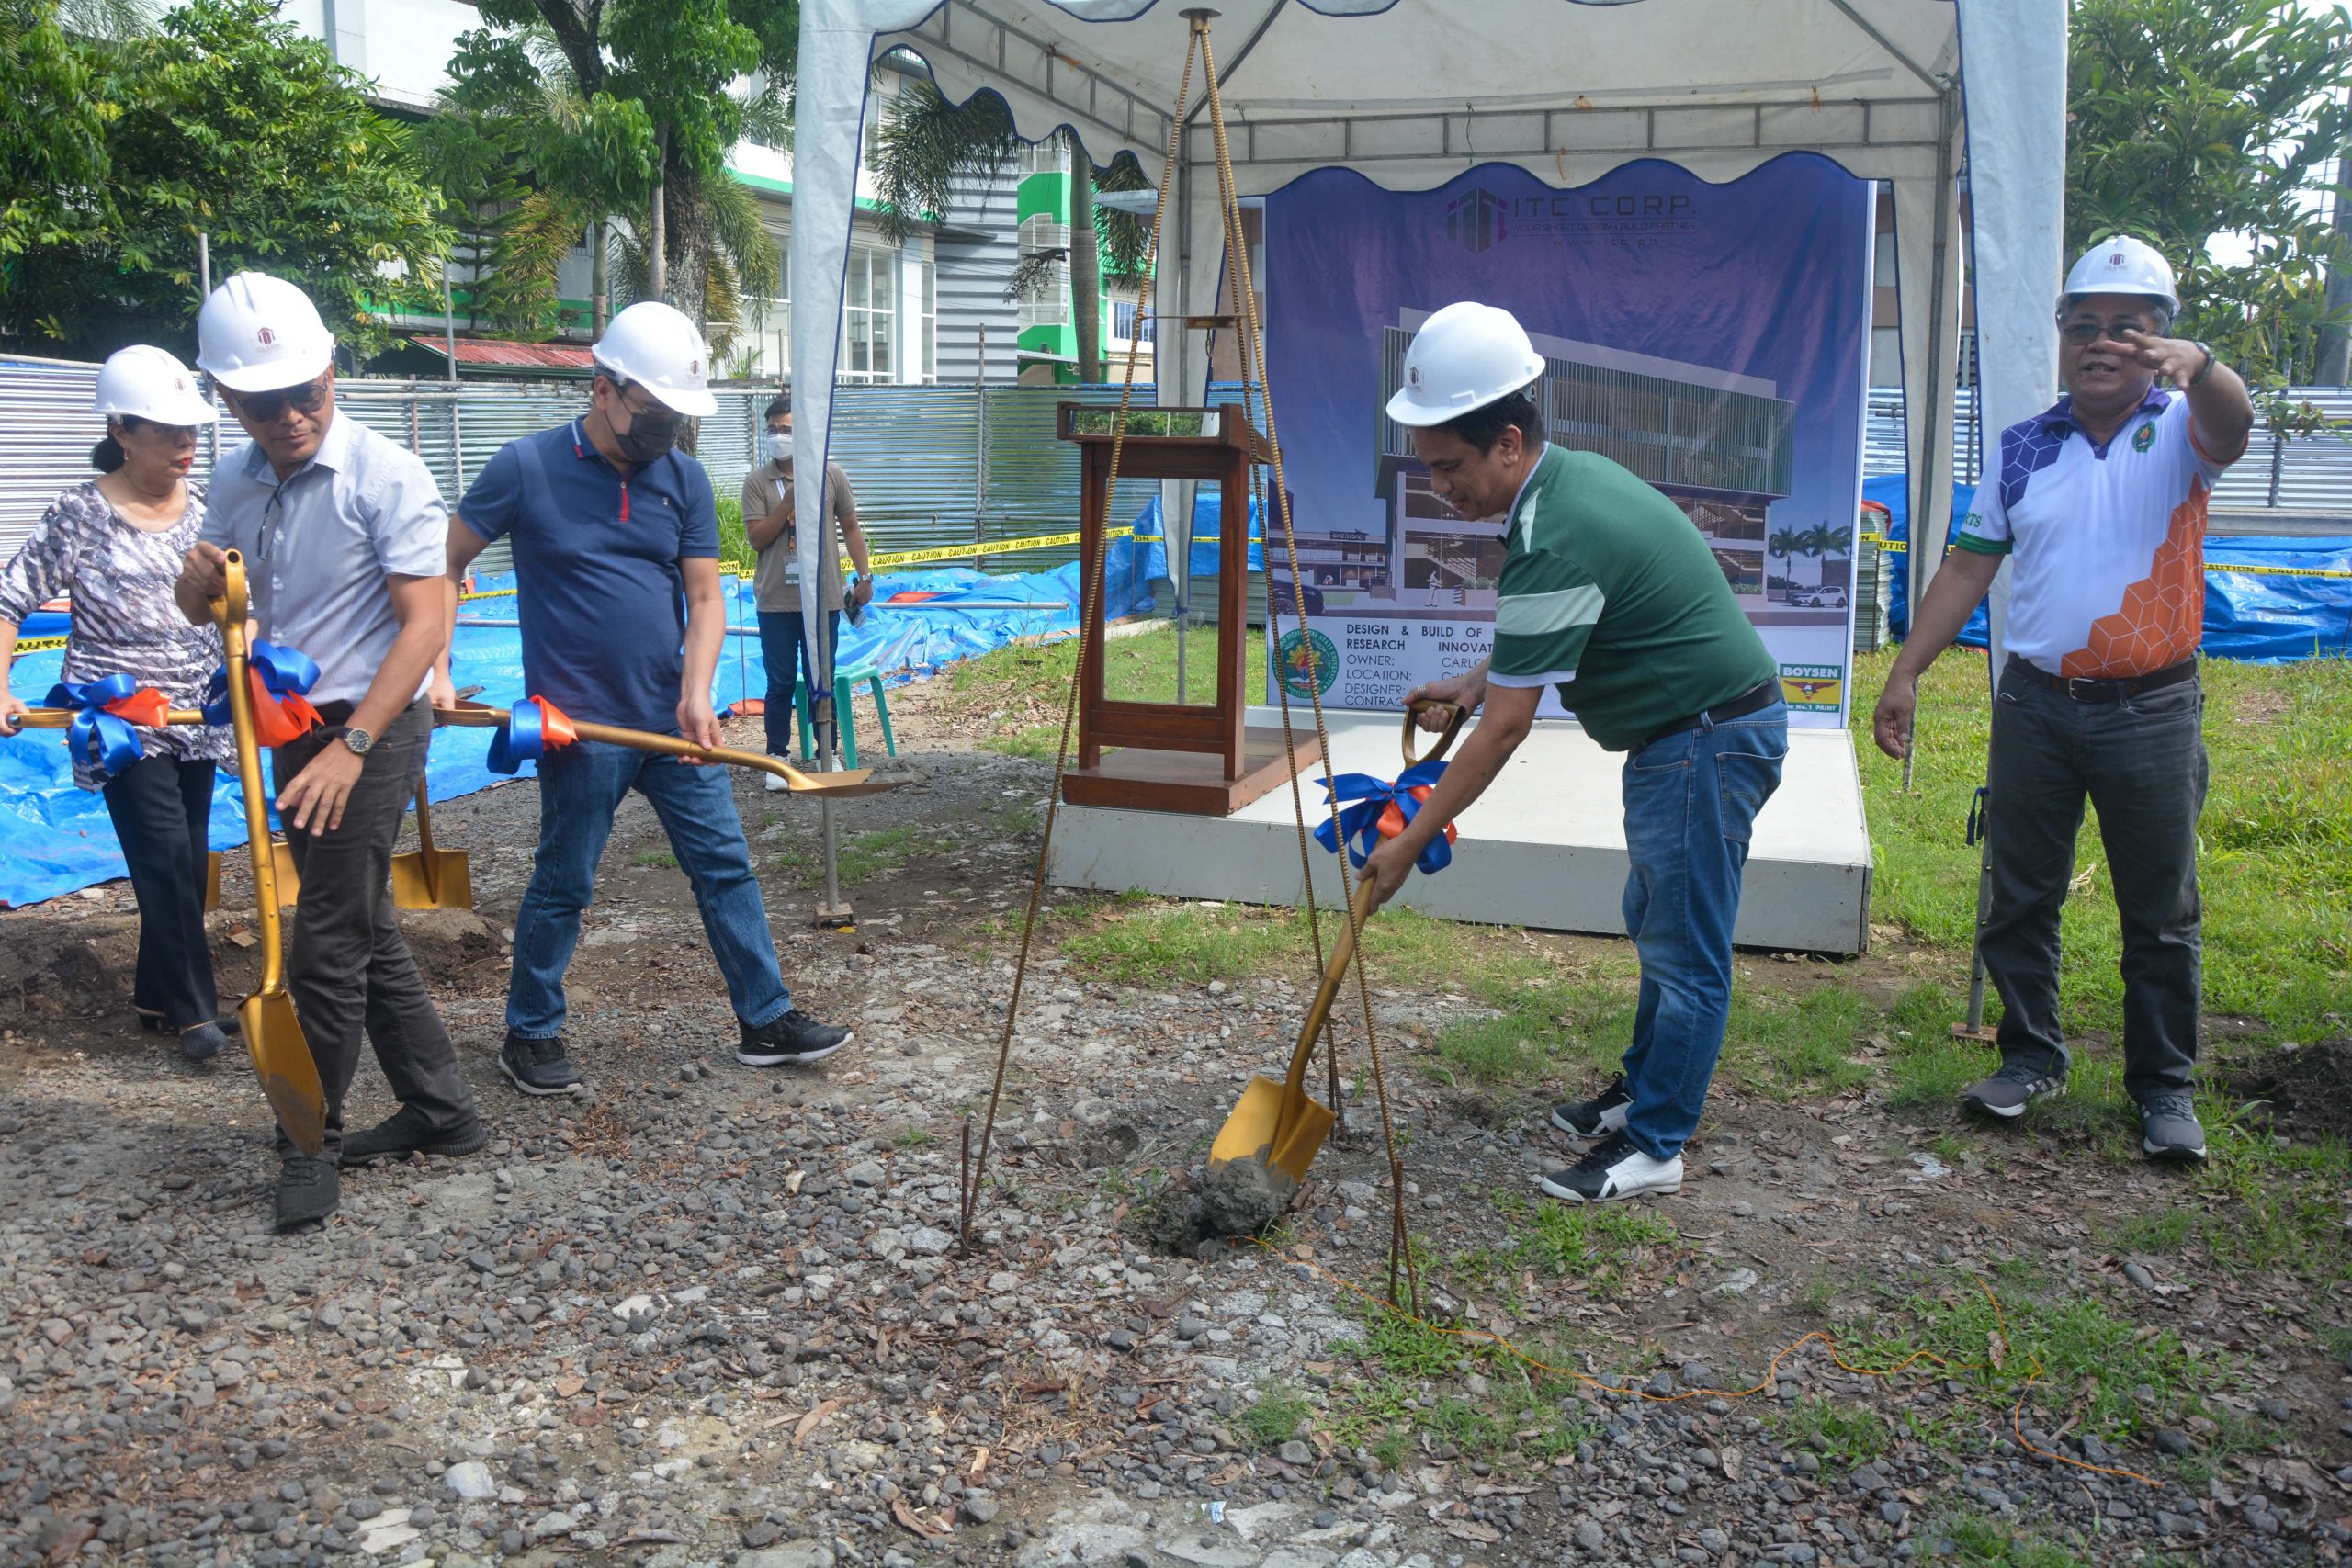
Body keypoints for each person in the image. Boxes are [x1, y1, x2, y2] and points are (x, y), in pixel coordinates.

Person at [1359, 301, 1788, 1205]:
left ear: (1506, 441)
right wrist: (1475, 680)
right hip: (1692, 735)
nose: (1439, 486)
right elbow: (1544, 648)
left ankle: (1657, 1144)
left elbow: (1508, 729)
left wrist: (1407, 842)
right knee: (1657, 921)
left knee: (1685, 950)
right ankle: (1643, 1087)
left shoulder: (1551, 528)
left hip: (1706, 742)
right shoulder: (1566, 487)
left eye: (1449, 466)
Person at [1871, 237, 2252, 1164]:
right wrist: (1906, 670)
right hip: (2035, 706)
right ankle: (2030, 1056)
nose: (2100, 342)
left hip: (2151, 709)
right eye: (2081, 326)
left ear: (2162, 340)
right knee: (2018, 890)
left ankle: (2162, 1087)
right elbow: (1968, 565)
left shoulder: (2182, 432)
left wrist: (2201, 370)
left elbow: (2235, 424)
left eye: (2126, 327)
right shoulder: (2020, 449)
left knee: (2158, 909)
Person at [439, 301, 852, 1097]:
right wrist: (436, 669)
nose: (664, 430)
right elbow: (441, 564)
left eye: (676, 416)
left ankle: (765, 1018)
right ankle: (529, 1032)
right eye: (654, 412)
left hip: (671, 719)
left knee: (725, 865)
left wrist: (698, 693)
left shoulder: (683, 479)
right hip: (578, 727)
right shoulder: (524, 468)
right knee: (565, 879)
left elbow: (705, 598)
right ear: (604, 389)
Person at [174, 272, 483, 1230]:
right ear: (228, 401)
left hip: (373, 723)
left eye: (308, 392)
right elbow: (209, 609)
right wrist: (200, 585)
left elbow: (426, 624)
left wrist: (353, 743)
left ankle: (309, 1139)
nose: (293, 415)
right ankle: (442, 1109)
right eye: (265, 404)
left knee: (328, 939)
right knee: (360, 922)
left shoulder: (387, 475)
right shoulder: (230, 481)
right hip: (292, 724)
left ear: (332, 373)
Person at [0, 347, 238, 1063]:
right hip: (121, 721)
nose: (184, 445)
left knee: (189, 859)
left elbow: (242, 599)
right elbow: (11, 597)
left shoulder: (207, 510)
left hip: (195, 714)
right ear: (122, 431)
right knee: (162, 856)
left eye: (190, 431)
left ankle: (155, 998)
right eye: (166, 431)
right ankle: (197, 1012)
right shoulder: (80, 513)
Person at [741, 393, 872, 787]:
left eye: (786, 430)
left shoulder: (831, 476)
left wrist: (864, 577)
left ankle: (825, 752)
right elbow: (756, 539)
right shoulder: (757, 482)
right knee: (779, 681)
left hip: (823, 598)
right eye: (772, 429)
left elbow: (851, 528)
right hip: (775, 601)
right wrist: (787, 505)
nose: (777, 436)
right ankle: (777, 758)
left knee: (821, 677)